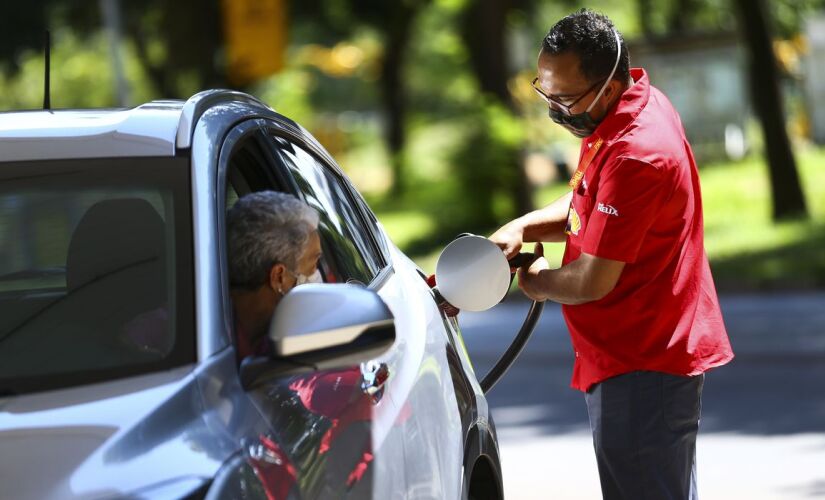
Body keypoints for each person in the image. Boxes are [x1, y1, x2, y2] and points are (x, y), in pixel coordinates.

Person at [490, 9, 734, 500]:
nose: (555, 108)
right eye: (546, 91)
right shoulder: (633, 107)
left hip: (645, 364)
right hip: (632, 357)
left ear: (608, 83)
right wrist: (522, 226)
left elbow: (591, 280)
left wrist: (534, 278)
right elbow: (589, 203)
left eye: (566, 97)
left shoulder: (637, 152)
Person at [226, 190, 323, 360]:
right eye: (314, 263)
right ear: (279, 277)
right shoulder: (300, 345)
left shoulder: (183, 326)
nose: (317, 274)